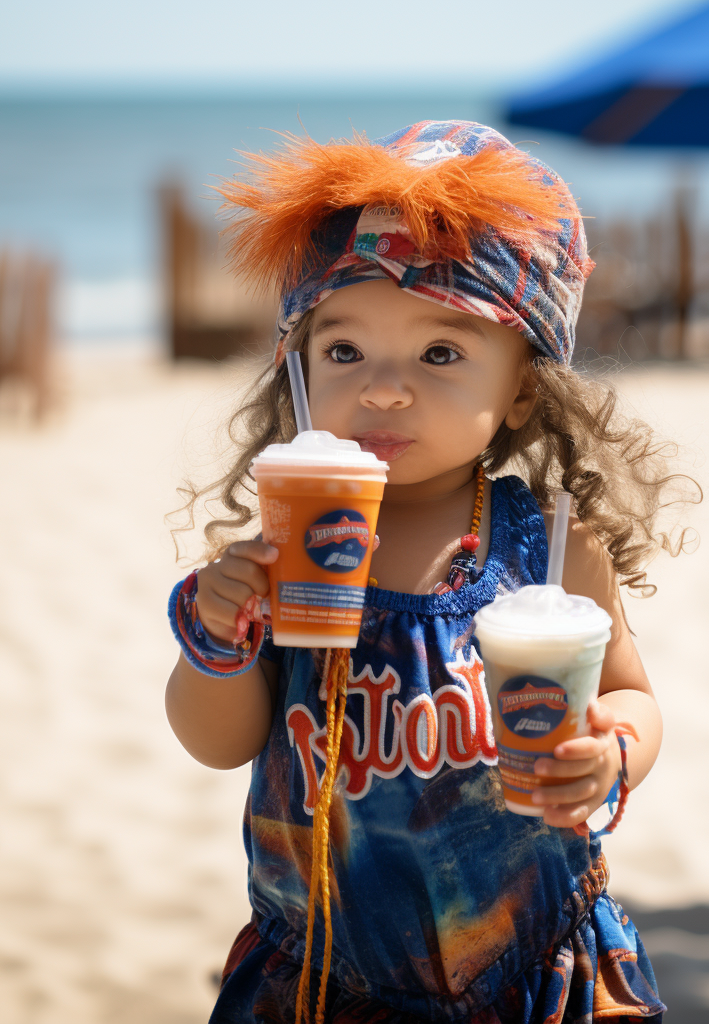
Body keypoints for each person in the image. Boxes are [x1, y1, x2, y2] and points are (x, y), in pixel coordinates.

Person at [166, 121, 683, 1024]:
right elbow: (217, 743)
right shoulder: (286, 554)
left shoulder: (552, 552)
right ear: (297, 369)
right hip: (330, 974)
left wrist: (614, 753)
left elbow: (635, 698)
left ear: (522, 387)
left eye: (441, 354)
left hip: (530, 962)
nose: (385, 387)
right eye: (344, 351)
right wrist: (216, 639)